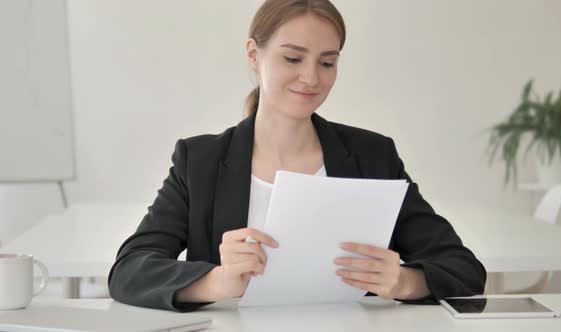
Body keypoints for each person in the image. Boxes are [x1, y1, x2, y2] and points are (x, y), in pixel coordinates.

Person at [108, 0, 486, 312]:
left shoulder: (372, 156)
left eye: (326, 62)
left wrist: (403, 280)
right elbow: (129, 271)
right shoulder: (200, 160)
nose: (311, 78)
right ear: (254, 54)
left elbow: (464, 269)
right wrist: (218, 280)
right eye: (293, 59)